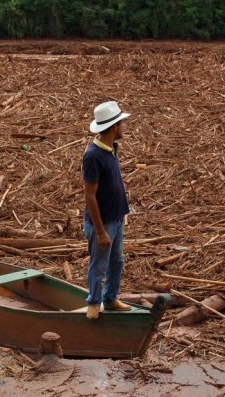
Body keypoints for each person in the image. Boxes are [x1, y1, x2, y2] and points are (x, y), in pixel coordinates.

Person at [82, 101, 132, 319]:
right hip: (103, 223)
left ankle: (110, 298)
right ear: (113, 127)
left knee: (116, 260)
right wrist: (101, 231)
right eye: (121, 123)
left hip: (117, 218)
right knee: (99, 264)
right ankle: (93, 303)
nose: (123, 127)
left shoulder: (112, 148)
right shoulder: (93, 156)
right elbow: (90, 196)